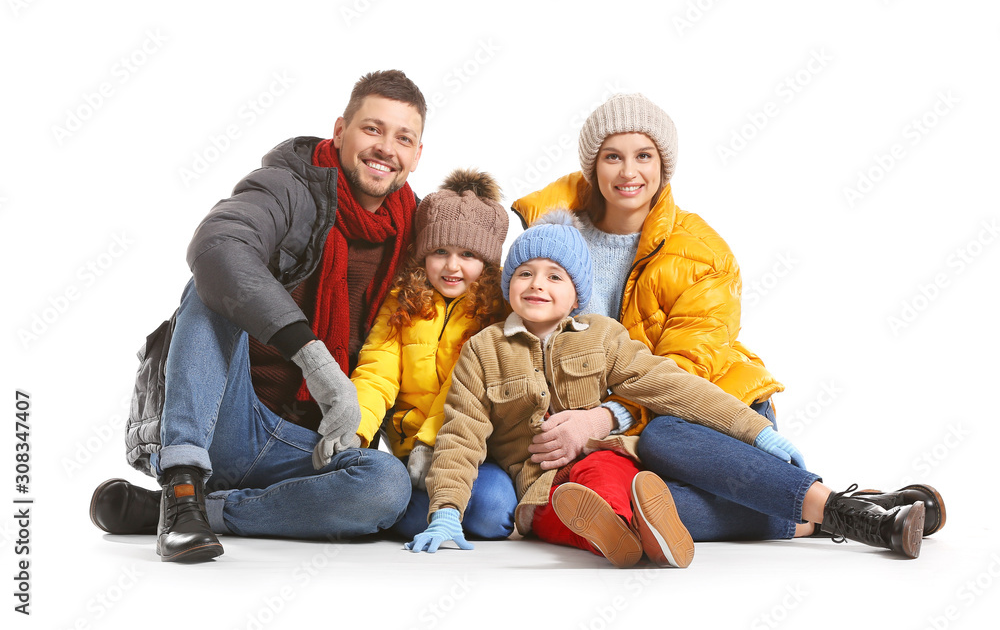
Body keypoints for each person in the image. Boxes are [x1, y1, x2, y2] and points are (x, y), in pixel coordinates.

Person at [509, 93, 945, 551]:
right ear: (592, 165)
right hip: (614, 437)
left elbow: (685, 370)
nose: (628, 172)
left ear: (664, 166)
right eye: (612, 157)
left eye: (644, 156)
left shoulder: (701, 251)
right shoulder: (548, 240)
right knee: (606, 504)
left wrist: (603, 416)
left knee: (661, 439)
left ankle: (839, 510)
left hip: (705, 411)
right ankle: (832, 516)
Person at [405, 212, 928, 567]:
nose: (537, 284)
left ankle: (634, 527)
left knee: (614, 476)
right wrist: (446, 509)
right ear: (507, 286)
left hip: (606, 459)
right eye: (524, 273)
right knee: (557, 509)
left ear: (577, 295)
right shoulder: (482, 349)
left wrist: (755, 432)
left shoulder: (605, 338)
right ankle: (629, 533)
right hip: (537, 483)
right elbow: (462, 433)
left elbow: (672, 385)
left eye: (554, 276)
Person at [89, 70, 428, 562]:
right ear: (339, 131)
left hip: (312, 447)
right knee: (214, 281)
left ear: (417, 155)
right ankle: (183, 484)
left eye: (404, 137)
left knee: (384, 487)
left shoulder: (413, 230)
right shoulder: (288, 186)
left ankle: (192, 510)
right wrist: (314, 361)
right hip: (227, 417)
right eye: (372, 129)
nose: (385, 148)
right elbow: (217, 243)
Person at [349, 168, 517, 540]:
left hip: (471, 453)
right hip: (409, 456)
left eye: (468, 254)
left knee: (494, 515)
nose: (452, 265)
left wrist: (432, 442)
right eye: (440, 251)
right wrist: (355, 429)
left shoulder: (496, 312)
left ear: (487, 261)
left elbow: (468, 389)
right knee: (394, 513)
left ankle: (447, 509)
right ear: (424, 253)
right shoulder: (403, 301)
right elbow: (378, 370)